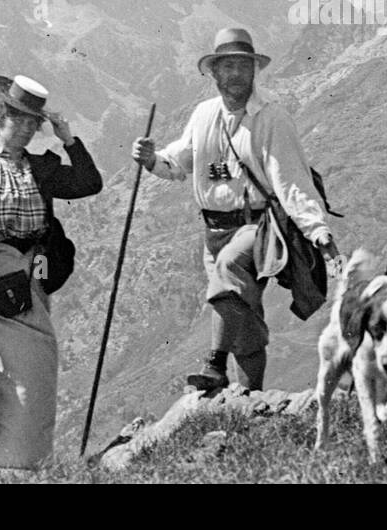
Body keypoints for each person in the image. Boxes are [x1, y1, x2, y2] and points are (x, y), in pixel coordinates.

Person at [132, 27, 341, 392]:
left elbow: (291, 179)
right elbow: (178, 163)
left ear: (254, 71)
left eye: (242, 67)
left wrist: (318, 230)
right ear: (214, 73)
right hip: (212, 229)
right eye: (226, 67)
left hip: (258, 229)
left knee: (228, 270)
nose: (235, 75)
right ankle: (248, 397)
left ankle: (213, 364)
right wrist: (151, 160)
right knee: (238, 312)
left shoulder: (271, 117)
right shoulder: (203, 115)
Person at [0, 74, 102, 481]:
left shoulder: (42, 170)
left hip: (28, 285)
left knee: (33, 379)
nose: (28, 128)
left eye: (35, 122)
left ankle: (21, 466)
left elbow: (88, 183)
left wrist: (68, 138)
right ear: (1, 117)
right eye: (20, 119)